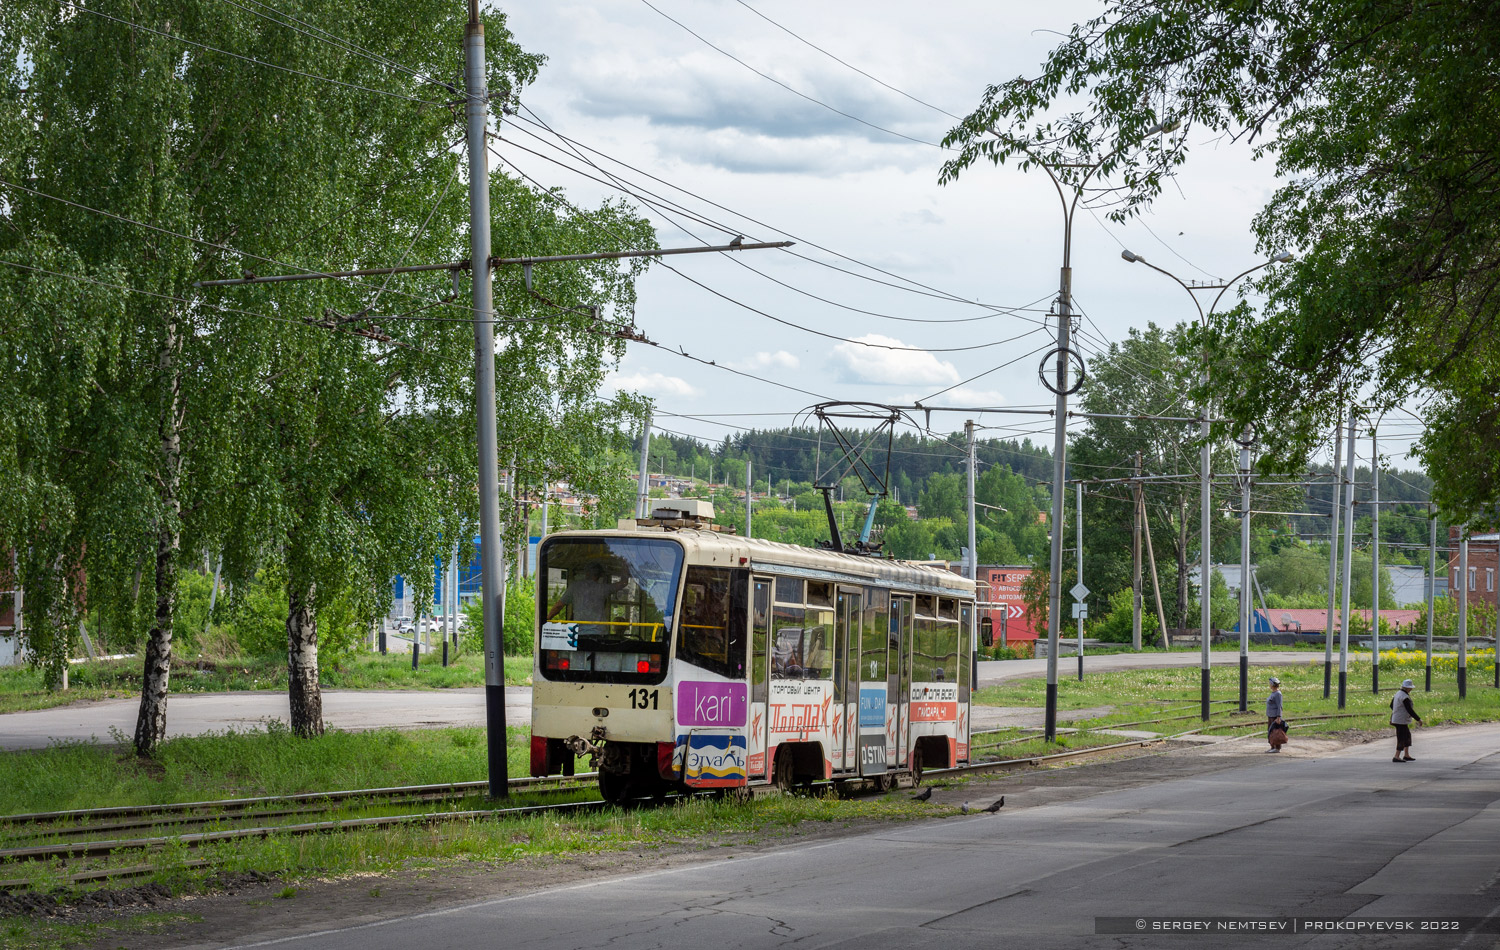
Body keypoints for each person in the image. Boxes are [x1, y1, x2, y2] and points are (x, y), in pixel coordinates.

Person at [1391, 678, 1423, 762]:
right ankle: (1396, 756)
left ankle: (1406, 755)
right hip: (1400, 720)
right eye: (1410, 688)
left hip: (1398, 719)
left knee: (1407, 736)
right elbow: (1409, 710)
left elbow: (1391, 705)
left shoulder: (1398, 693)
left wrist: (1397, 711)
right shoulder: (1404, 697)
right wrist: (1418, 719)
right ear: (1407, 688)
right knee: (1402, 737)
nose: (1411, 689)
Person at [1266, 676, 1287, 753]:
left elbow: (1279, 706)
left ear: (1272, 684)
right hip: (1270, 715)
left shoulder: (1278, 694)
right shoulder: (1273, 693)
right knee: (1271, 731)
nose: (1269, 685)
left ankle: (1277, 747)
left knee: (1276, 732)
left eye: (1270, 683)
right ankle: (1272, 746)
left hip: (1275, 716)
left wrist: (1278, 717)